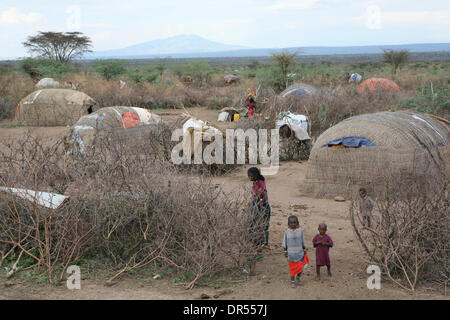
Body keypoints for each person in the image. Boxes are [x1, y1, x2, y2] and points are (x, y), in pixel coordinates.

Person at [246, 167, 271, 275]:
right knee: (252, 226)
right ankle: (255, 247)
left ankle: (260, 249)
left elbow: (265, 196)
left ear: (256, 175)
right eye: (249, 176)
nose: (249, 178)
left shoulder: (261, 183)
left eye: (251, 176)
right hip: (255, 206)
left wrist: (259, 204)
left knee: (260, 227)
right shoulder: (255, 182)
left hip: (262, 208)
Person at [282, 216, 309, 288]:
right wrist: (285, 251)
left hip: (300, 254)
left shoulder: (300, 231)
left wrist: (304, 249)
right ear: (288, 224)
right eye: (291, 223)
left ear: (297, 223)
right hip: (291, 255)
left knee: (300, 268)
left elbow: (303, 242)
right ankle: (292, 281)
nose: (293, 224)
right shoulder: (286, 232)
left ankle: (298, 277)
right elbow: (284, 243)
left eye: (294, 222)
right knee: (292, 269)